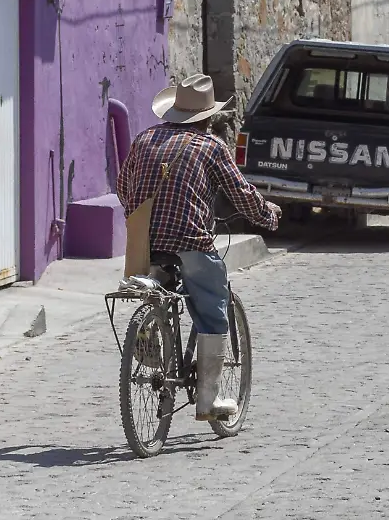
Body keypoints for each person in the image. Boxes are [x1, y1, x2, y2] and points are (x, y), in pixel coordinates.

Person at [117, 74, 281, 421]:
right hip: (190, 242)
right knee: (213, 309)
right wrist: (268, 215)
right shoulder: (210, 147)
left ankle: (149, 334)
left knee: (155, 285)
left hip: (144, 243)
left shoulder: (144, 138)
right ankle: (208, 400)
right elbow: (241, 194)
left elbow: (122, 187)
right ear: (208, 118)